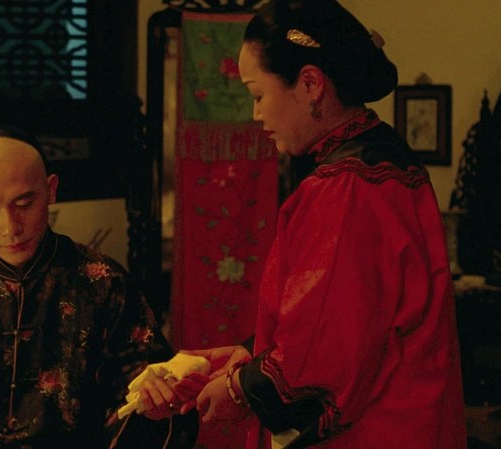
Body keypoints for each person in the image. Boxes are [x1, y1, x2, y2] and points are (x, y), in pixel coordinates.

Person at [174, 1, 467, 448]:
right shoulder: (386, 163)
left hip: (377, 431)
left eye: (258, 94)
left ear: (310, 84)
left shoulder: (346, 188)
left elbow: (325, 350)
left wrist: (239, 389)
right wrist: (250, 354)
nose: (256, 114)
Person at [0, 125, 198, 449]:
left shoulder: (102, 281)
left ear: (51, 190)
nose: (10, 228)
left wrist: (155, 396)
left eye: (24, 204)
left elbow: (140, 378)